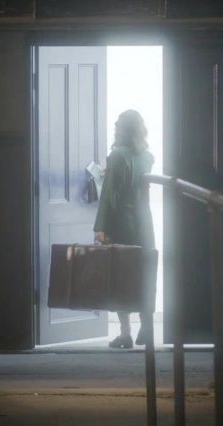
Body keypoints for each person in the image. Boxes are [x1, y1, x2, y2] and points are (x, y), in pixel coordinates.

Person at [94, 110, 155, 349]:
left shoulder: (117, 156)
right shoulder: (147, 157)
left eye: (118, 125)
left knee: (120, 276)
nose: (115, 128)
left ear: (124, 129)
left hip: (122, 221)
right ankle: (147, 328)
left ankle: (125, 333)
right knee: (144, 273)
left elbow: (110, 194)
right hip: (144, 220)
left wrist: (101, 227)